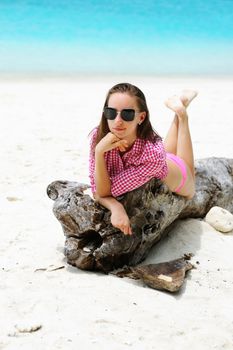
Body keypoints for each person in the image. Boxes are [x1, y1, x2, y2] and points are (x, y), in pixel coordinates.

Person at [89, 83, 197, 235]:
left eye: (127, 114)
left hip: (179, 175)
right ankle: (181, 105)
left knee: (191, 190)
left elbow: (106, 192)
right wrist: (99, 151)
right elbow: (97, 189)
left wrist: (99, 152)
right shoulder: (98, 136)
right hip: (162, 158)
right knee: (165, 154)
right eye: (111, 112)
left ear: (141, 117)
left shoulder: (153, 156)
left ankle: (182, 114)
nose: (117, 121)